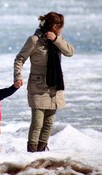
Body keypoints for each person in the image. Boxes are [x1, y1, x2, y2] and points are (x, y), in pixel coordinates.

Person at [13, 12, 74, 152]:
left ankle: (41, 152)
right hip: (38, 87)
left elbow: (70, 52)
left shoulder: (58, 40)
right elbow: (19, 59)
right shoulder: (34, 40)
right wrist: (18, 77)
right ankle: (31, 153)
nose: (62, 29)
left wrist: (57, 39)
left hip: (54, 86)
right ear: (54, 26)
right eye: (61, 27)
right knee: (37, 122)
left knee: (48, 123)